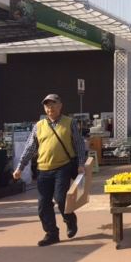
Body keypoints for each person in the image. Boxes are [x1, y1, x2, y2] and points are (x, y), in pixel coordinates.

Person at [13, 94, 86, 246]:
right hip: (43, 170)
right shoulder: (39, 126)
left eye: (53, 105)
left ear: (60, 106)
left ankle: (70, 219)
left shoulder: (69, 122)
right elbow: (30, 148)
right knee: (43, 204)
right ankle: (51, 233)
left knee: (60, 199)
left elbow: (79, 144)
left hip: (63, 167)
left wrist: (81, 163)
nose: (50, 108)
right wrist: (20, 167)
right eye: (47, 106)